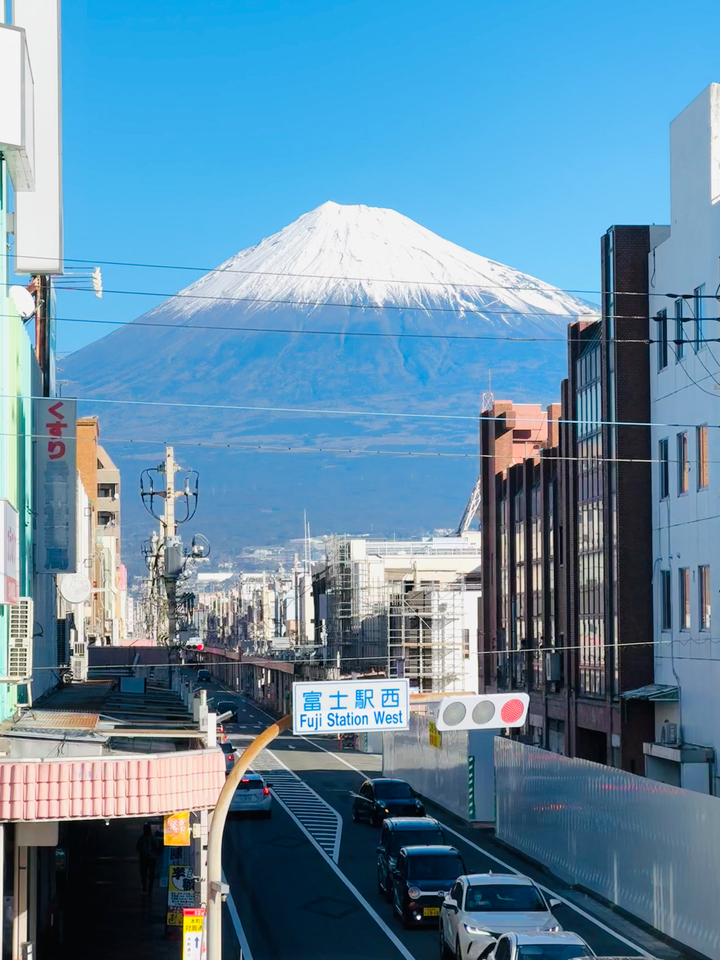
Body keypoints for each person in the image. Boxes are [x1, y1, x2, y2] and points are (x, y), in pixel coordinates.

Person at [136, 823, 159, 894]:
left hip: (143, 858)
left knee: (143, 874)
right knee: (151, 874)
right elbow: (157, 847)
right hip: (152, 858)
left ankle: (144, 887)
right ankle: (150, 889)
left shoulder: (142, 838)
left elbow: (138, 847)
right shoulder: (153, 838)